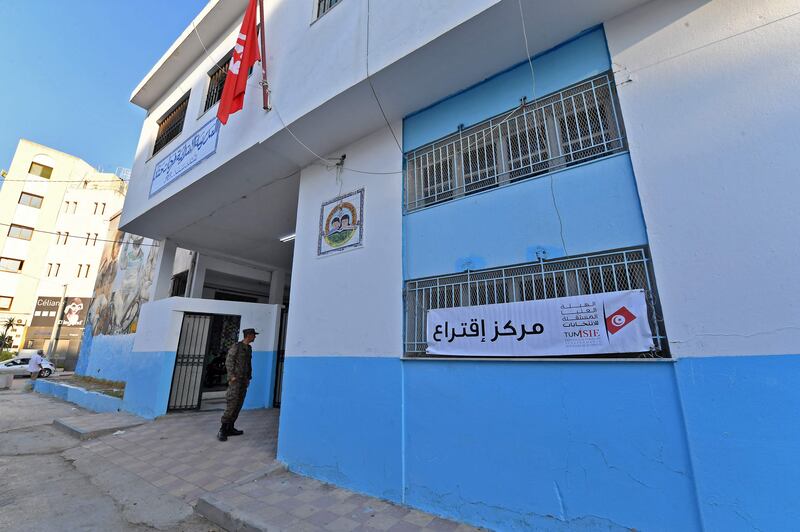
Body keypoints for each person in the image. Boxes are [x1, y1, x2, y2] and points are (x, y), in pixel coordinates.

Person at [217, 328, 257, 442]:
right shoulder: (237, 346)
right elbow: (229, 361)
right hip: (235, 381)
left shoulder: (249, 348)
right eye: (254, 335)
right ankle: (222, 430)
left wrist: (249, 377)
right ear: (248, 335)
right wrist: (231, 376)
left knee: (239, 404)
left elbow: (249, 364)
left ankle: (231, 427)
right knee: (232, 404)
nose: (255, 337)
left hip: (244, 381)